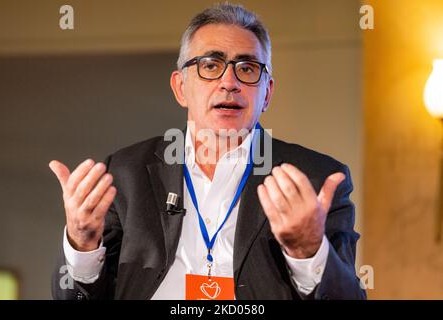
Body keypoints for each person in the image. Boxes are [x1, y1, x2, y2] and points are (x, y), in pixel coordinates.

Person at [50, 3, 365, 300]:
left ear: (266, 92)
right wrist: (82, 245)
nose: (229, 82)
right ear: (180, 87)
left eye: (247, 68)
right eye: (211, 65)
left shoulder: (316, 179)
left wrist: (308, 251)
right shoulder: (124, 173)